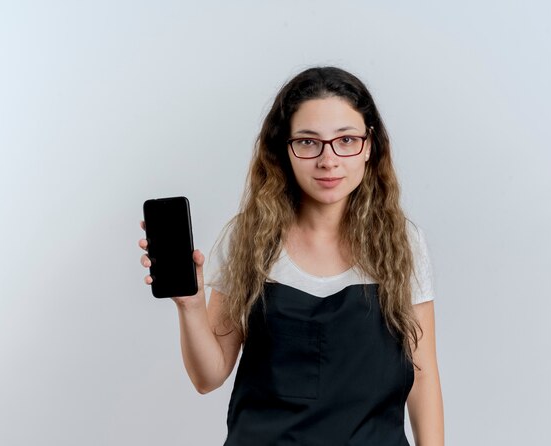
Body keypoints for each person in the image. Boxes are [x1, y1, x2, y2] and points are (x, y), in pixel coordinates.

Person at [138, 66, 444, 445]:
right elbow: (208, 376)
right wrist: (190, 305)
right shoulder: (248, 238)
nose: (328, 160)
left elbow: (423, 372)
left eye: (346, 140)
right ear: (283, 149)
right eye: (308, 141)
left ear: (369, 146)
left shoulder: (402, 243)